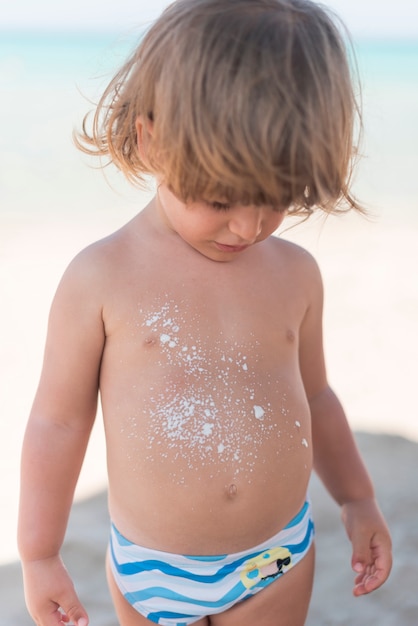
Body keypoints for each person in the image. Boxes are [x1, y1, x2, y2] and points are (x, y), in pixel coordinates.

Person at [18, 1, 392, 625]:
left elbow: (317, 396)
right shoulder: (101, 278)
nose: (248, 227)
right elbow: (57, 423)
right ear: (151, 138)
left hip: (274, 560)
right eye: (220, 198)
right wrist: (37, 554)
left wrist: (357, 499)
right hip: (152, 571)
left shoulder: (295, 274)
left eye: (277, 200)